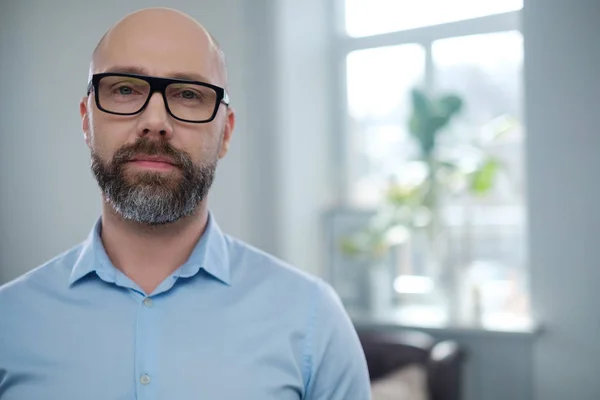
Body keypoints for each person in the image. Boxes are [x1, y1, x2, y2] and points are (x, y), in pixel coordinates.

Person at [0, 7, 371, 400]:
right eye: (125, 89)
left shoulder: (312, 318)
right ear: (86, 121)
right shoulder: (9, 320)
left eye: (189, 94)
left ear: (225, 133)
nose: (155, 120)